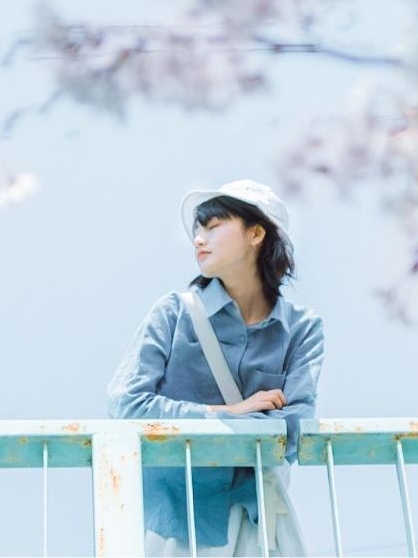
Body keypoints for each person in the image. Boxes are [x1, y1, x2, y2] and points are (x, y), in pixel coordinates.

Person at [106, 179, 324, 556]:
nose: (198, 239)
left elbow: (294, 427)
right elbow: (126, 405)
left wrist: (224, 423)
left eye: (213, 226)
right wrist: (228, 412)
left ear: (256, 233)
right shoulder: (174, 313)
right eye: (198, 229)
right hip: (179, 521)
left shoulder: (302, 328)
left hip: (260, 523)